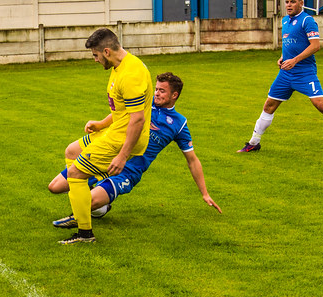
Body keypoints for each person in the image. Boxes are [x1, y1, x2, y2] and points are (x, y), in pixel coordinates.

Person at [48, 72, 221, 227]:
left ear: (174, 95)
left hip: (129, 171)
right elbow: (120, 114)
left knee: (88, 202)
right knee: (54, 187)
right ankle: (97, 202)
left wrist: (204, 193)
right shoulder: (145, 103)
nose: (156, 93)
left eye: (162, 91)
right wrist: (100, 124)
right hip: (108, 156)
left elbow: (192, 160)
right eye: (156, 89)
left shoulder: (179, 124)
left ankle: (97, 207)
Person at [237, 0, 323, 155]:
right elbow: (291, 43)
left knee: (321, 105)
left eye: (293, 2)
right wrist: (283, 57)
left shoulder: (307, 21)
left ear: (301, 3)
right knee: (269, 105)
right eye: (287, 2)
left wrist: (295, 60)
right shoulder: (284, 21)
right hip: (286, 74)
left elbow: (315, 46)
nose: (289, 5)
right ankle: (254, 142)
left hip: (304, 73)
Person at [56, 28, 153, 245]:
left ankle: (84, 233)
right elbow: (123, 110)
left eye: (95, 55)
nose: (95, 60)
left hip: (121, 140)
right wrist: (101, 123)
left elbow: (137, 120)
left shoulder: (131, 75)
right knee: (72, 151)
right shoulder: (121, 66)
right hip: (113, 130)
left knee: (74, 174)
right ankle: (83, 205)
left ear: (106, 51)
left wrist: (123, 156)